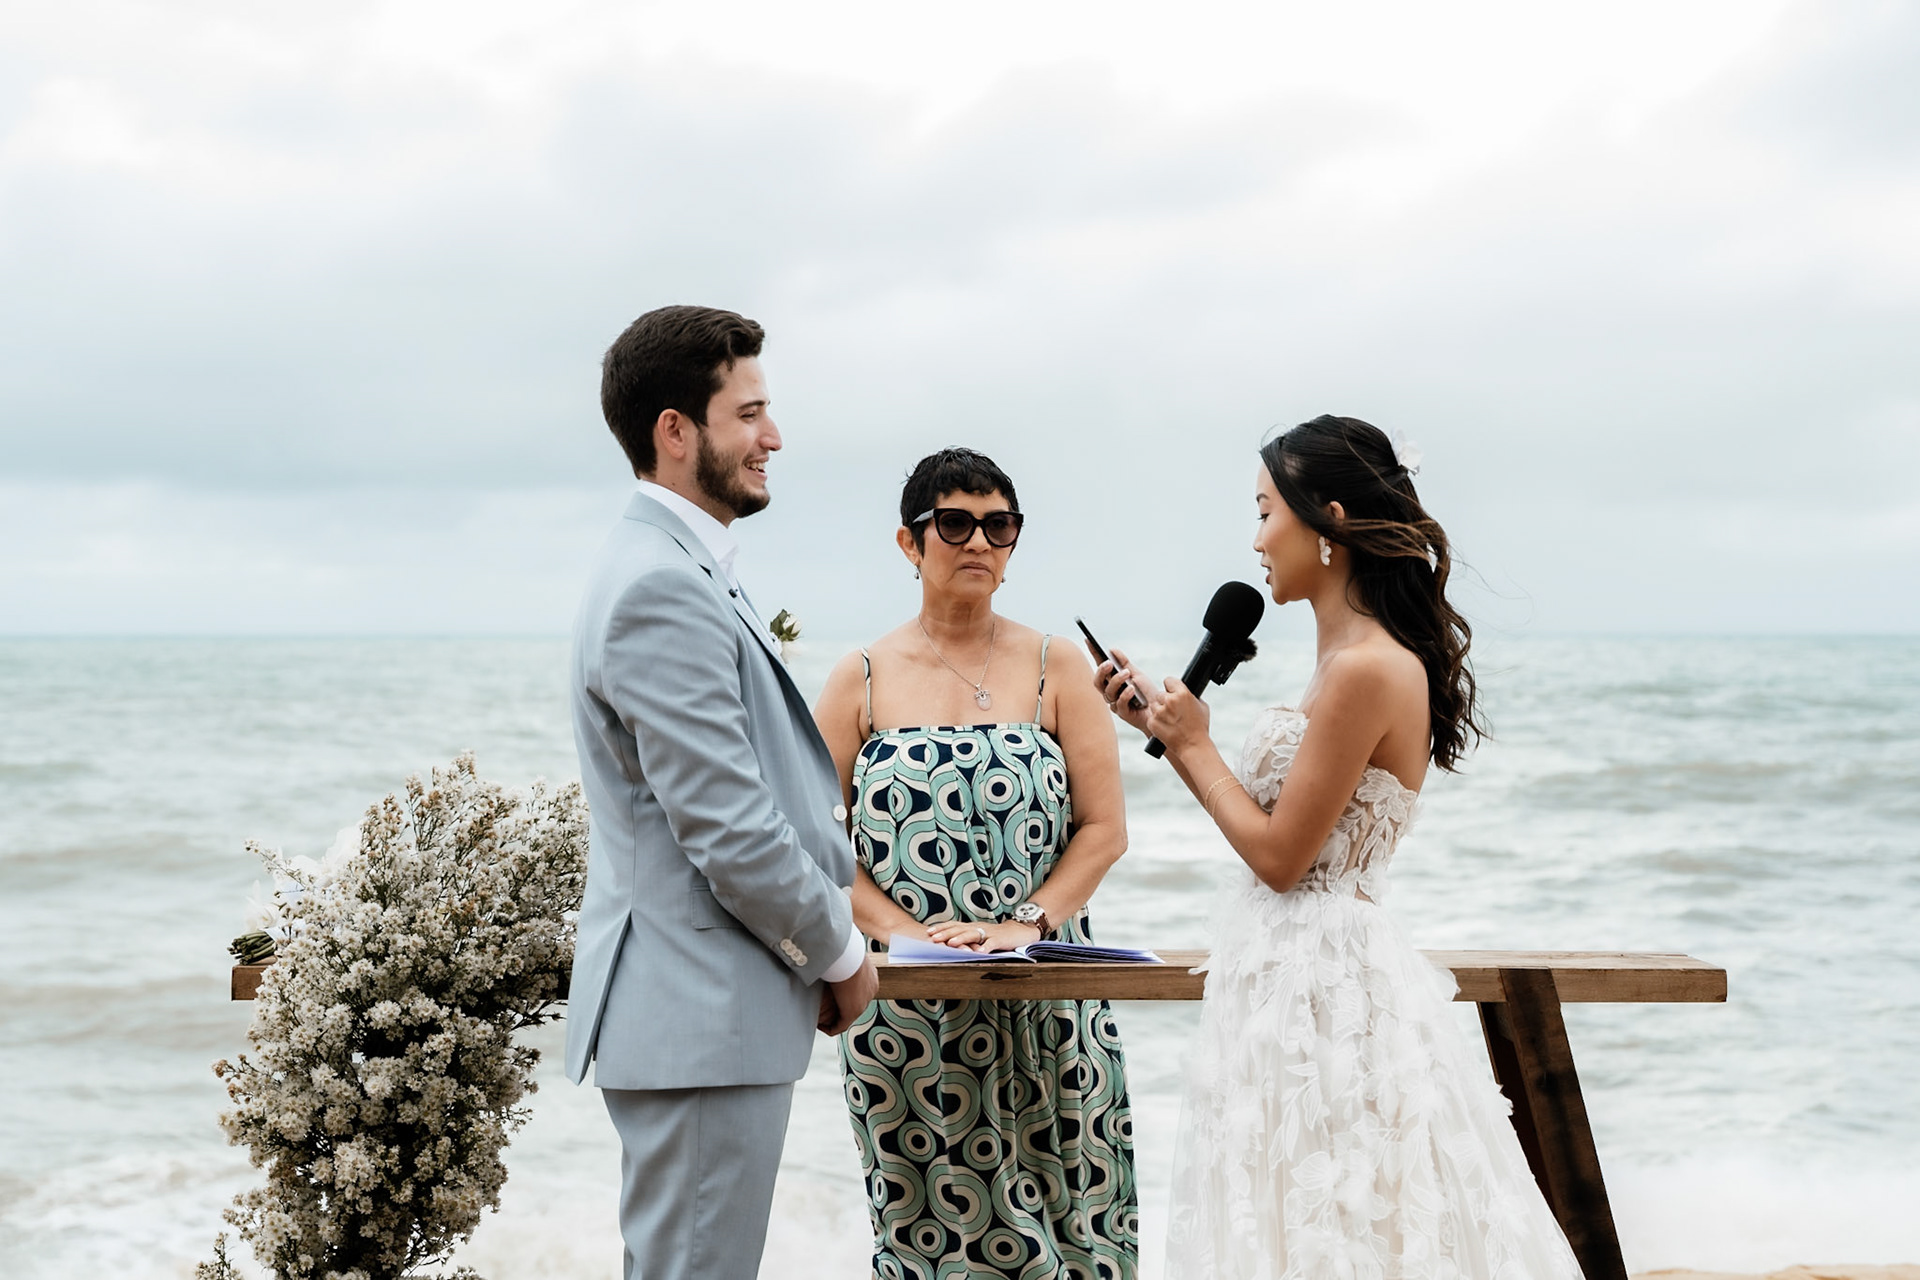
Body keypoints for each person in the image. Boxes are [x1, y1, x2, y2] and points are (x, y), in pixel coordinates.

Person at [1096, 416, 1585, 1279]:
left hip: (1329, 987)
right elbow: (1276, 833)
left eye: (1263, 512)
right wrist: (1166, 733)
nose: (1255, 539)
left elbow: (1282, 859)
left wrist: (1195, 744)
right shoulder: (1340, 659)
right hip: (1283, 975)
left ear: (1327, 522)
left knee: (1345, 1226)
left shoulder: (1367, 667)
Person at [563, 305, 880, 1280]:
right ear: (676, 430)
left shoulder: (679, 566)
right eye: (749, 413)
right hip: (698, 1018)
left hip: (703, 1018)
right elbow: (728, 826)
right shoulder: (661, 585)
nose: (772, 436)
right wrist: (838, 948)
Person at [813, 447, 1139, 1280]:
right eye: (953, 523)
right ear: (909, 542)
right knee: (931, 1237)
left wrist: (1020, 924)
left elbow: (1103, 830)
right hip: (909, 1011)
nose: (977, 542)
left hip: (1049, 999)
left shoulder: (1055, 665)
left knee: (1078, 1231)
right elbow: (813, 843)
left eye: (999, 526)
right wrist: (911, 935)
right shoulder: (860, 678)